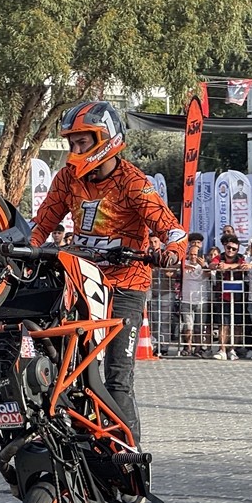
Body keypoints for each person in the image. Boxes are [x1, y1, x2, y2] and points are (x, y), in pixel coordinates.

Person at [29, 101, 184, 441]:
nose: (75, 151)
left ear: (106, 139)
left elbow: (173, 230)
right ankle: (71, 435)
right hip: (81, 282)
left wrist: (172, 253)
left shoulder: (134, 182)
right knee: (69, 367)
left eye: (82, 142)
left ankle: (129, 454)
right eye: (72, 143)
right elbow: (42, 224)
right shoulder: (66, 178)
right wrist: (24, 247)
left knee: (117, 377)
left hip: (127, 285)